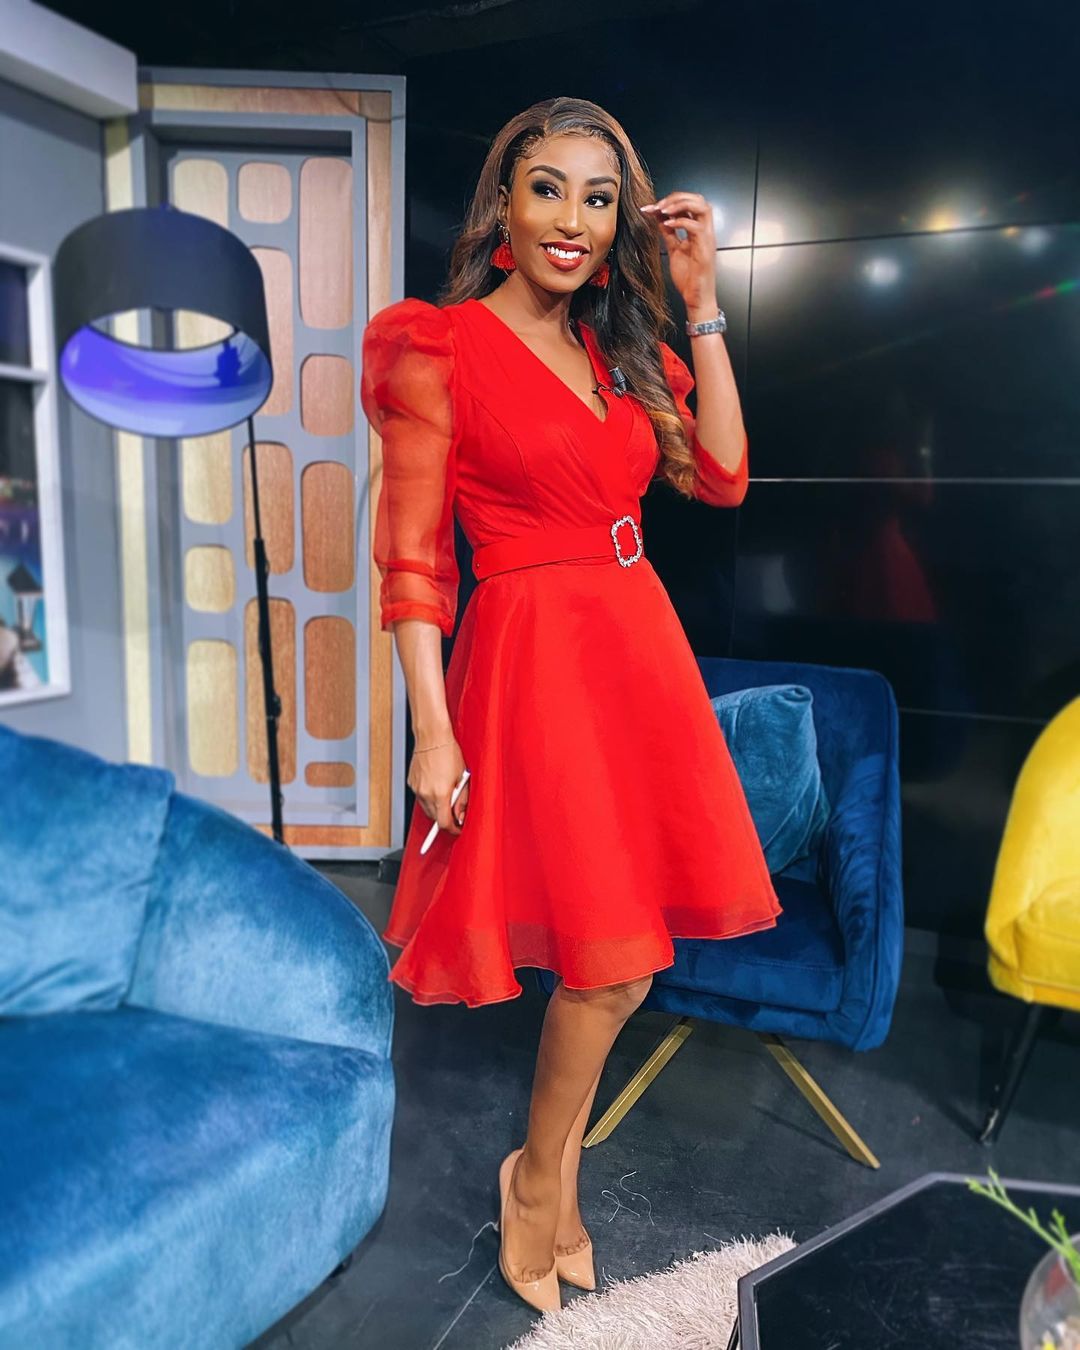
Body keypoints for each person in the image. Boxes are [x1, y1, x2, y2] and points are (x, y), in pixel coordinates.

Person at [359, 96, 783, 1315]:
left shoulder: (613, 355)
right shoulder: (436, 345)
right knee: (606, 963)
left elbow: (724, 474)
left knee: (625, 966)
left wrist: (701, 302)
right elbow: (413, 559)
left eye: (600, 199)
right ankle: (540, 1179)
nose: (573, 219)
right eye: (549, 187)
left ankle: (547, 1172)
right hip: (534, 664)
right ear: (504, 203)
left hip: (635, 656)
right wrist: (432, 728)